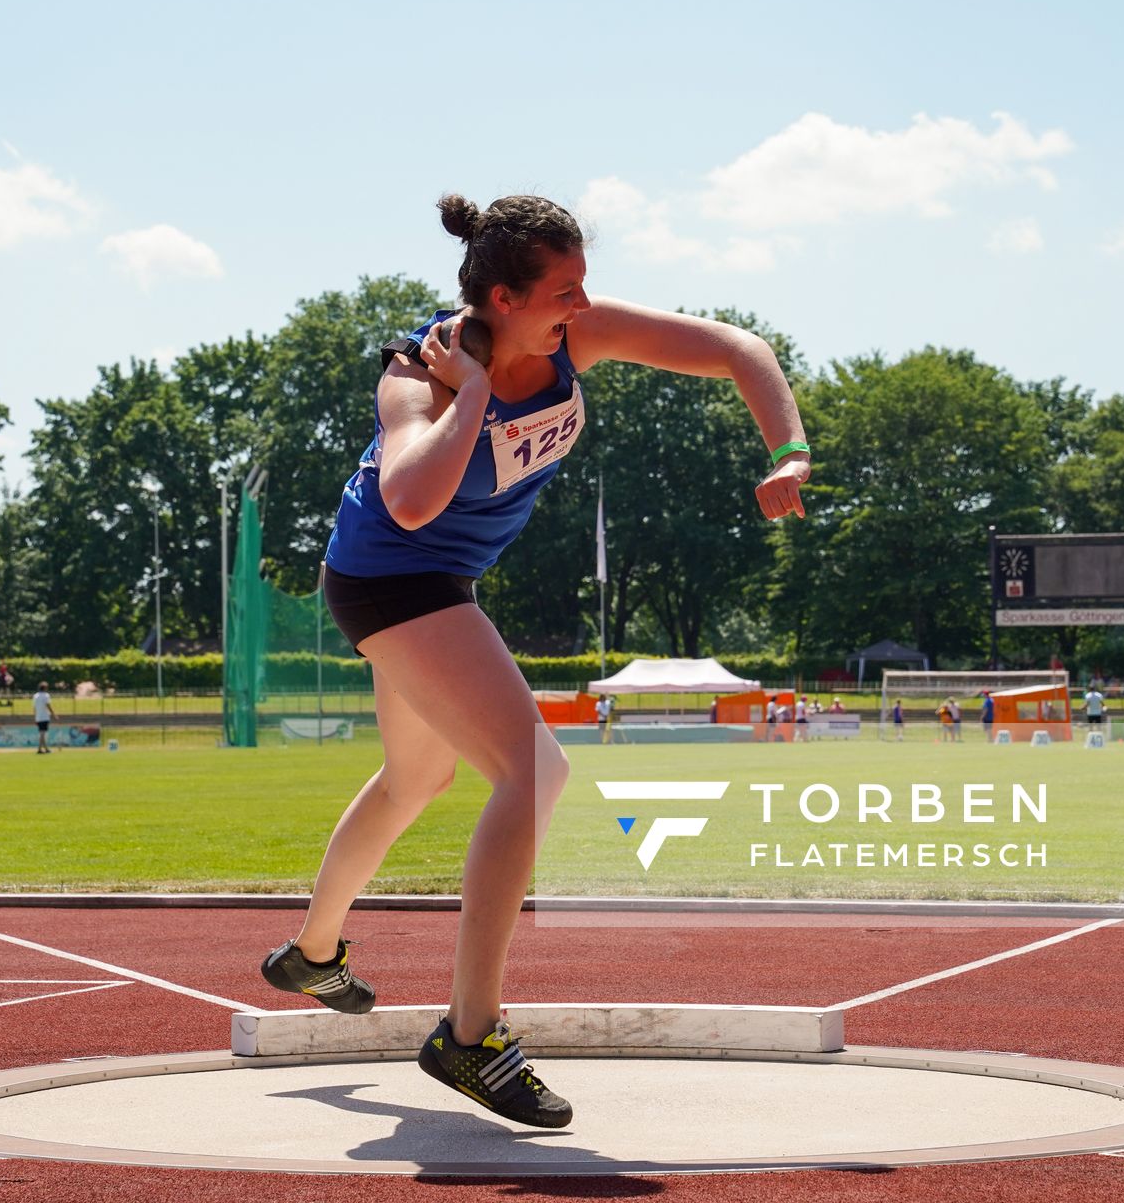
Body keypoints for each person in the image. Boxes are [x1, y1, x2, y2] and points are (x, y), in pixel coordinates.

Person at [258, 192, 811, 1129]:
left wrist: (788, 451)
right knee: (533, 768)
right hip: (393, 581)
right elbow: (411, 504)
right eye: (565, 291)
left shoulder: (571, 342)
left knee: (412, 780)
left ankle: (311, 956)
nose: (584, 308)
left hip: (441, 585)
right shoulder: (414, 378)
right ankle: (470, 1036)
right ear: (506, 297)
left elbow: (735, 348)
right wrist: (471, 393)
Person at [32, 681, 54, 753]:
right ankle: (39, 749)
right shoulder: (46, 695)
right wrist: (53, 714)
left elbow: (34, 708)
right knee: (42, 733)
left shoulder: (35, 696)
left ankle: (46, 749)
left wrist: (35, 717)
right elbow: (48, 705)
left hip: (38, 717)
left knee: (42, 733)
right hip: (44, 717)